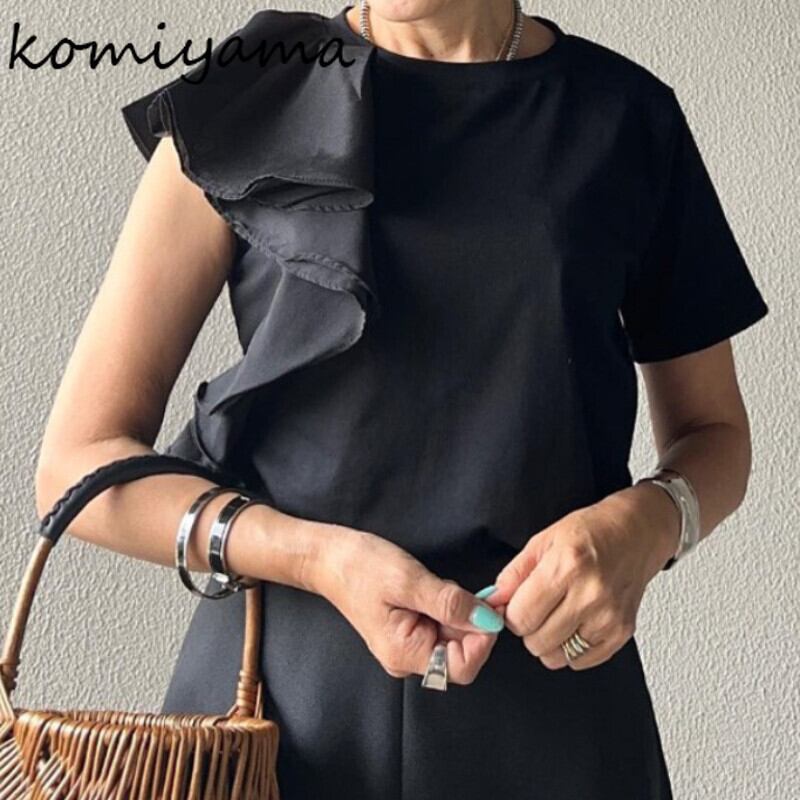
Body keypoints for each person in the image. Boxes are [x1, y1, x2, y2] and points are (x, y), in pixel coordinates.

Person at [35, 2, 769, 797]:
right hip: (276, 710)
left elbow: (714, 432)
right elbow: (77, 466)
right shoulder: (242, 97)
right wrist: (313, 557)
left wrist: (649, 524)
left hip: (554, 700)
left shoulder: (627, 118)